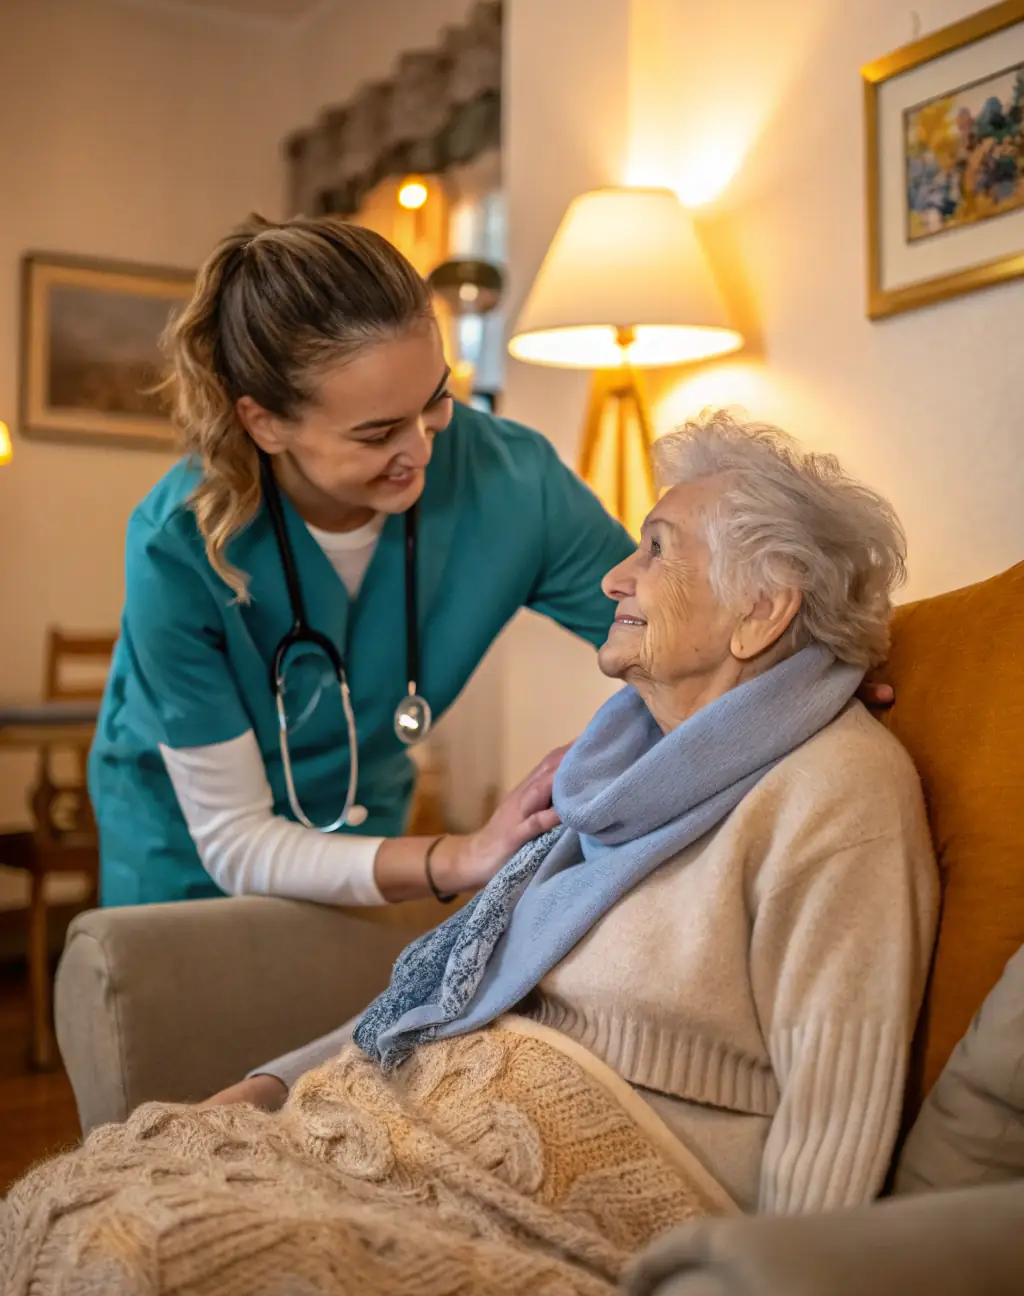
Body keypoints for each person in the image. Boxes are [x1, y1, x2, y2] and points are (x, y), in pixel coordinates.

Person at [209, 411, 939, 1218]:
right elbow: (461, 991)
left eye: (655, 548)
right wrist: (273, 1083)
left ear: (763, 610)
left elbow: (832, 1116)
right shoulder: (611, 776)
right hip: (399, 1142)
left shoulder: (834, 788)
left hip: (566, 1210)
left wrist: (765, 1290)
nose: (612, 579)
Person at [89, 214, 634, 909]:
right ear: (265, 422)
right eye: (378, 432)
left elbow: (673, 635)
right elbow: (234, 839)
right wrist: (460, 855)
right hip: (186, 861)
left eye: (435, 401)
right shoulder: (178, 546)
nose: (424, 450)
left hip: (372, 833)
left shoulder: (514, 482)